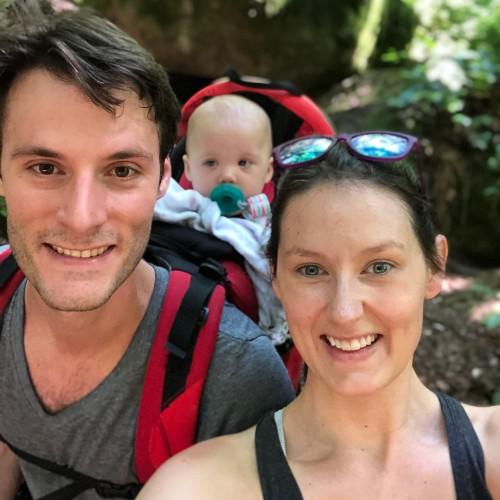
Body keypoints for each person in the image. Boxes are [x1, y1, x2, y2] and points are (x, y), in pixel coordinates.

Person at [0, 1, 295, 498]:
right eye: (46, 168)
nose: (81, 216)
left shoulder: (237, 377)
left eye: (121, 171)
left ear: (164, 178)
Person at [138, 132, 500, 499]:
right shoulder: (198, 489)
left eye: (378, 266)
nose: (345, 312)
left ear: (435, 266)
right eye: (311, 270)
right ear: (274, 275)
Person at [154, 94, 289, 344]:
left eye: (243, 163)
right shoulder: (181, 203)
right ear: (190, 168)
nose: (227, 175)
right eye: (211, 162)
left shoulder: (272, 221)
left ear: (268, 171)